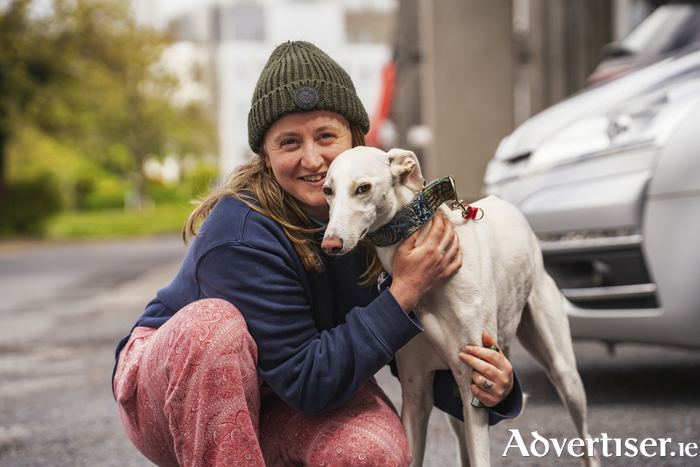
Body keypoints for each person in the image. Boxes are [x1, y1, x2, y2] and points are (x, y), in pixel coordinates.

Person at [113, 41, 522, 467]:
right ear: (266, 156)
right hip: (176, 398)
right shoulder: (239, 235)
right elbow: (309, 381)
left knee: (373, 452)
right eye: (289, 142)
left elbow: (414, 363)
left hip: (282, 398)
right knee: (213, 328)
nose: (314, 160)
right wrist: (404, 291)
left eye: (326, 136)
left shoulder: (378, 221)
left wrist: (496, 388)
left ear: (355, 138)